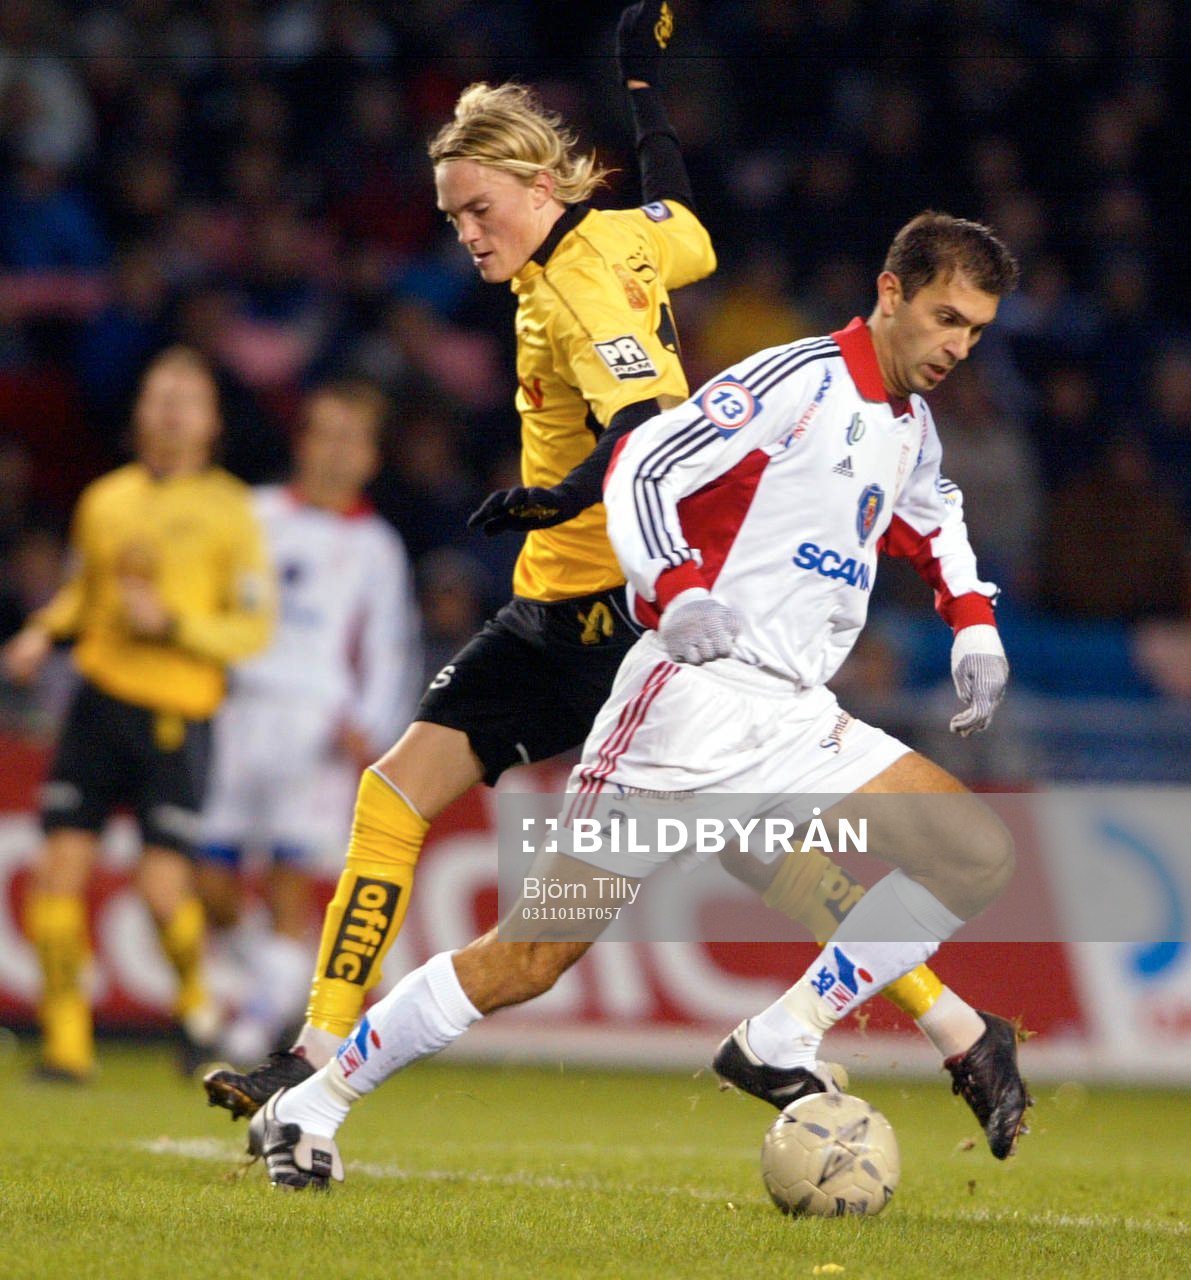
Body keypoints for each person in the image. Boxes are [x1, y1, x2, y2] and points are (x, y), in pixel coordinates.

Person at [206, 3, 1020, 1155]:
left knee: (918, 851)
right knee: (533, 924)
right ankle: (317, 1082)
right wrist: (643, 90)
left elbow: (647, 434)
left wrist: (566, 505)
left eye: (477, 210)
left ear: (540, 187)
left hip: (660, 634)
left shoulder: (592, 286)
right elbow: (685, 225)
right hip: (639, 658)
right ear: (892, 295)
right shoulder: (649, 262)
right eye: (452, 216)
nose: (465, 235)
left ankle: (807, 1032)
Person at [1, 346, 274, 1080]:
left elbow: (252, 628)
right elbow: (83, 593)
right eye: (159, 396)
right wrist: (42, 632)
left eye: (186, 399)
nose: (170, 411)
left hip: (176, 716)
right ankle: (66, 1047)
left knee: (160, 891)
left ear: (212, 422)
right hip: (98, 704)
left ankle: (195, 1011)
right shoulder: (105, 500)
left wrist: (176, 626)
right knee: (57, 872)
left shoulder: (231, 510)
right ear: (139, 413)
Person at [196, 382, 416, 1065]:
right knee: (210, 882)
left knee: (288, 883)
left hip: (316, 724)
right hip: (236, 708)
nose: (336, 452)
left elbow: (389, 647)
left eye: (352, 440)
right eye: (326, 434)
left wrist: (369, 724)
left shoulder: (376, 546)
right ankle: (277, 983)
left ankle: (252, 1030)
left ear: (371, 458)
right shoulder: (253, 514)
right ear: (303, 442)